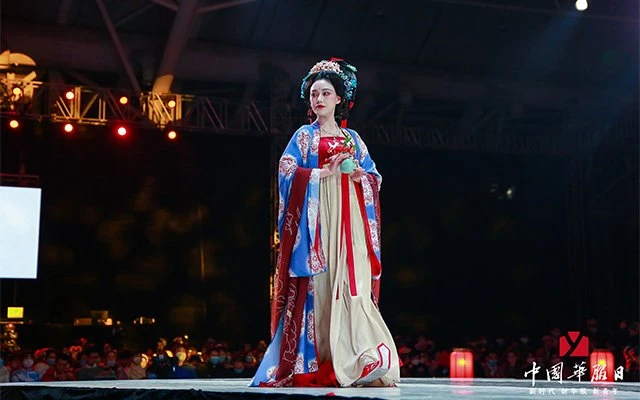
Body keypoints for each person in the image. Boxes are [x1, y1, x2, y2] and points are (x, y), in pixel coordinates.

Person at [250, 59, 399, 387]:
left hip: (351, 222)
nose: (319, 98)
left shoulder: (352, 138)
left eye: (326, 93)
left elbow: (374, 176)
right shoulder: (304, 136)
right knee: (322, 289)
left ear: (338, 99)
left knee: (354, 285)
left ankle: (363, 358)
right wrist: (322, 172)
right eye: (314, 93)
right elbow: (286, 171)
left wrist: (359, 176)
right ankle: (323, 359)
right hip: (318, 224)